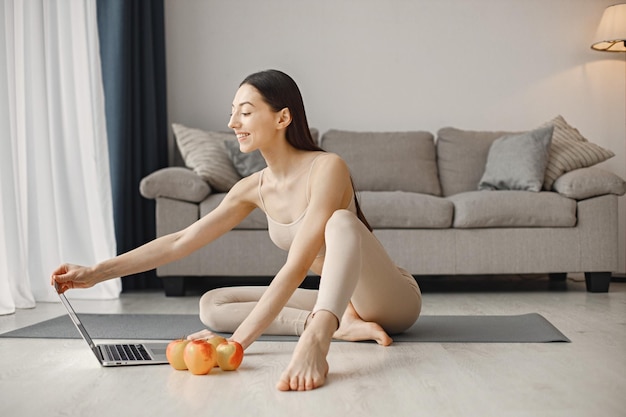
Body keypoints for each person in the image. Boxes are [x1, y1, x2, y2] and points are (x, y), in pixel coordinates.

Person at [51, 69, 422, 391]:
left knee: (341, 221)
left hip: (390, 300)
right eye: (232, 113)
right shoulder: (251, 188)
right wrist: (97, 272)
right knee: (212, 305)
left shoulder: (328, 167)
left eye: (245, 112)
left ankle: (318, 337)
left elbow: (298, 265)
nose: (233, 123)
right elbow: (181, 241)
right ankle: (339, 323)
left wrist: (236, 345)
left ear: (283, 118)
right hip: (337, 298)